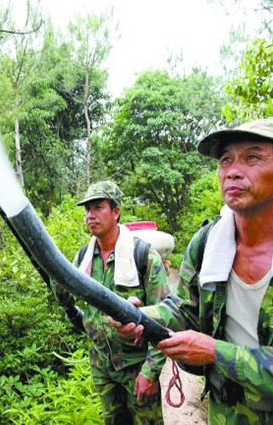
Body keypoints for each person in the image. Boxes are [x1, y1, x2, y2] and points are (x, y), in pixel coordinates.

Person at [110, 119, 273, 424]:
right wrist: (141, 318)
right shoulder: (208, 245)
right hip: (228, 415)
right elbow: (186, 309)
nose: (233, 171)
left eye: (252, 157)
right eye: (225, 160)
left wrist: (218, 354)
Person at [55, 180, 170, 425]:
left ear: (116, 212)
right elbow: (68, 300)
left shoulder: (144, 257)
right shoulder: (83, 258)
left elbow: (166, 319)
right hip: (102, 365)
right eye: (87, 210)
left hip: (137, 366)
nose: (90, 215)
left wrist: (150, 373)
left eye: (98, 207)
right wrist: (56, 275)